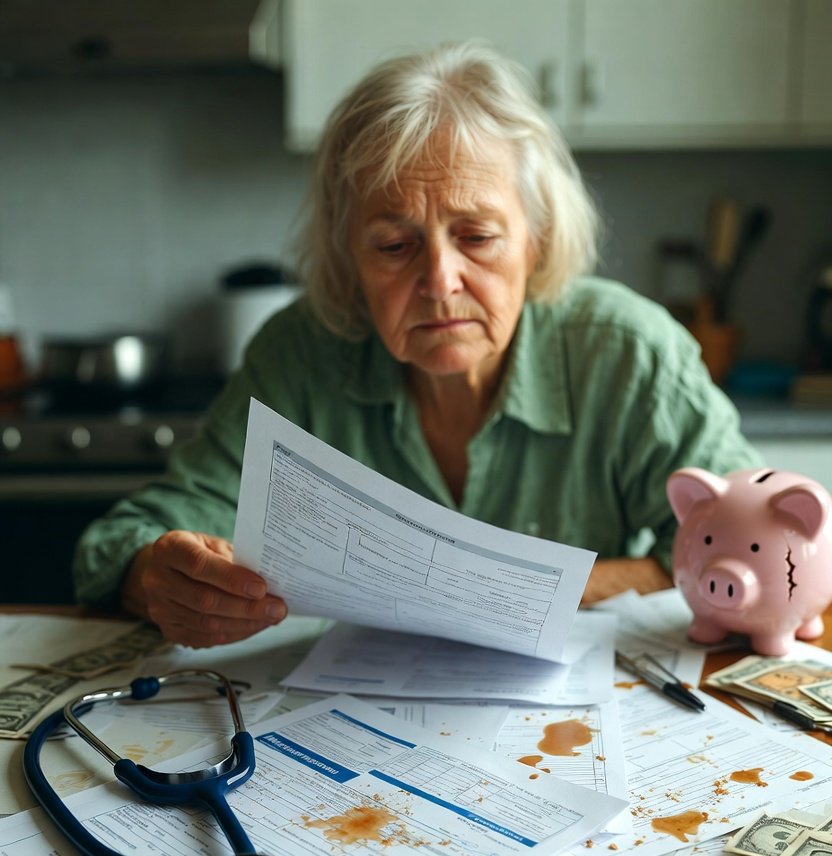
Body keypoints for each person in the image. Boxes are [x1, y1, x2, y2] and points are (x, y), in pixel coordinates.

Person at [73, 42, 760, 649]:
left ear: (537, 238)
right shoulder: (300, 354)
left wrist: (494, 597)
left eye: (477, 237)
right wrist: (157, 577)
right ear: (349, 258)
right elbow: (124, 541)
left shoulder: (630, 354)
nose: (438, 281)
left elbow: (762, 547)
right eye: (394, 245)